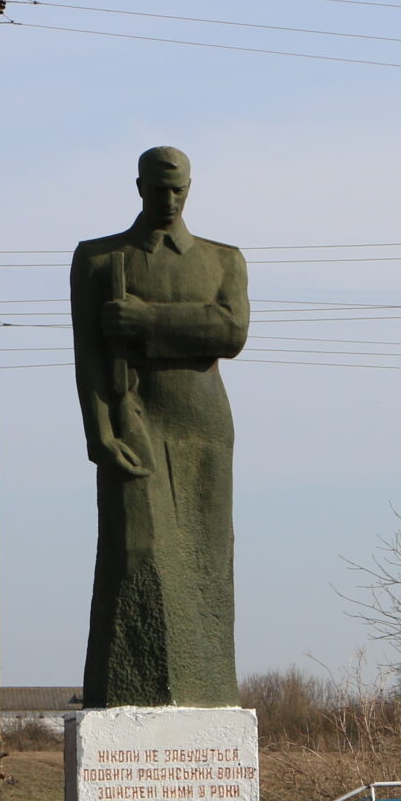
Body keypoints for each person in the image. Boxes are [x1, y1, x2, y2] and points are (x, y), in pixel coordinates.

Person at [68, 146, 248, 707]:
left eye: (179, 190)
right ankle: (132, 693)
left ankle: (208, 687)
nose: (169, 200)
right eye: (158, 189)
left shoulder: (222, 260)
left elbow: (230, 331)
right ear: (139, 187)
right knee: (136, 554)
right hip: (133, 418)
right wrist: (100, 430)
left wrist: (147, 320)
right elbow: (88, 354)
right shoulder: (101, 259)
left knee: (207, 560)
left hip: (203, 424)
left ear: (190, 188)